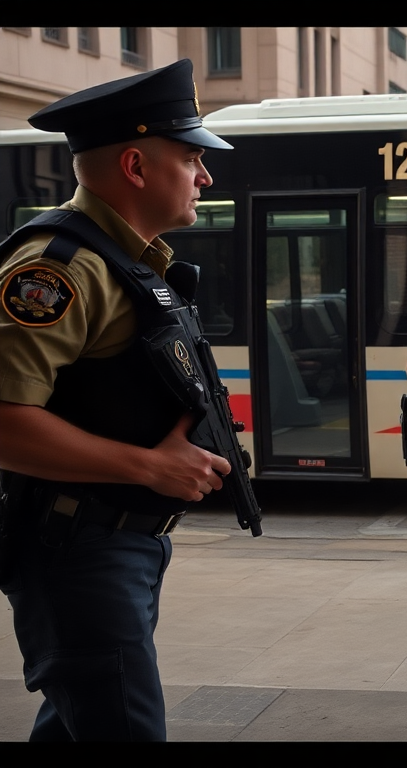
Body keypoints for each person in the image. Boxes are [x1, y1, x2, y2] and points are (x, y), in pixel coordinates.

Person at [0, 59, 235, 741]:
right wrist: (148, 466)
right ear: (135, 166)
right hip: (78, 552)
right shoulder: (58, 268)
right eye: (193, 157)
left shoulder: (123, 261)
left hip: (116, 547)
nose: (205, 175)